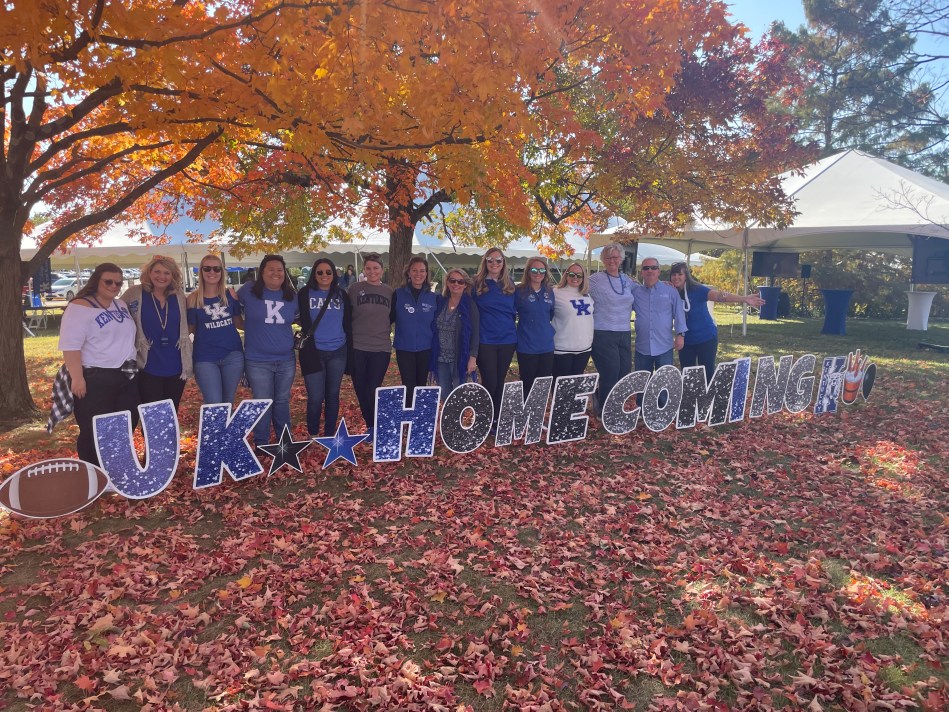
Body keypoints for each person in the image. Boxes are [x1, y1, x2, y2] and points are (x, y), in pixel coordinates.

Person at [59, 263, 139, 466]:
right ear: (96, 281)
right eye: (108, 282)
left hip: (125, 374)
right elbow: (70, 346)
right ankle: (93, 473)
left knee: (126, 424)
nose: (114, 286)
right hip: (95, 377)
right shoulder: (79, 307)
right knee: (93, 430)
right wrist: (77, 378)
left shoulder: (120, 305)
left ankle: (115, 469)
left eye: (118, 283)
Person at [237, 255, 298, 449]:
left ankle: (284, 441)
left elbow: (299, 318)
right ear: (262, 271)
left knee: (282, 401)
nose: (276, 273)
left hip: (286, 359)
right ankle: (261, 442)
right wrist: (249, 327)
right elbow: (231, 309)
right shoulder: (248, 290)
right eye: (271, 269)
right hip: (257, 360)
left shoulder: (291, 295)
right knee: (262, 401)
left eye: (280, 269)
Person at [669, 262, 765, 380]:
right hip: (685, 340)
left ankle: (709, 392)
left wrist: (744, 299)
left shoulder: (697, 289)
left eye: (680, 274)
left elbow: (719, 296)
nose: (676, 277)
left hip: (706, 338)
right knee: (687, 375)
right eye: (673, 274)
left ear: (686, 276)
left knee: (708, 374)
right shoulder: (670, 292)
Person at [121, 255, 192, 412]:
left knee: (171, 411)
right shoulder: (134, 293)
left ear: (173, 275)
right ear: (149, 272)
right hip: (147, 363)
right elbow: (115, 312)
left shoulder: (178, 295)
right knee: (151, 412)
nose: (161, 276)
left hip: (175, 364)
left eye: (167, 273)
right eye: (157, 272)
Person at [298, 258, 352, 437]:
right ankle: (313, 433)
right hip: (313, 351)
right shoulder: (305, 293)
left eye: (328, 272)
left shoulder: (341, 295)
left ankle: (329, 433)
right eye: (320, 272)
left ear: (334, 274)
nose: (324, 275)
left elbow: (347, 322)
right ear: (314, 274)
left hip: (338, 351)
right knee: (315, 397)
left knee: (332, 394)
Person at [587, 243, 639, 415]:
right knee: (610, 371)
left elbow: (645, 290)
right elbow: (575, 286)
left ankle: (600, 396)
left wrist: (665, 284)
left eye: (615, 257)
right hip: (602, 332)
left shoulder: (627, 281)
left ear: (621, 259)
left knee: (624, 372)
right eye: (608, 257)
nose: (612, 261)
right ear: (603, 260)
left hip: (624, 332)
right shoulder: (595, 280)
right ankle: (605, 411)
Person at [186, 255, 244, 405]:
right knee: (214, 403)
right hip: (205, 357)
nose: (212, 272)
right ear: (201, 271)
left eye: (217, 269)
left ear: (222, 272)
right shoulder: (193, 299)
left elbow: (239, 323)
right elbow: (189, 329)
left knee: (228, 401)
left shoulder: (230, 294)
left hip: (232, 355)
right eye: (207, 268)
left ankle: (227, 422)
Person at [348, 253, 393, 437]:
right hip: (358, 347)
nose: (372, 271)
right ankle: (371, 425)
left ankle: (376, 424)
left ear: (382, 270)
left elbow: (393, 316)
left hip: (381, 348)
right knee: (360, 388)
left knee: (373, 388)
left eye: (376, 268)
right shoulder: (354, 289)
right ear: (364, 270)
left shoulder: (389, 291)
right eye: (368, 268)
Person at [472, 248, 517, 429]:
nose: (494, 263)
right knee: (489, 381)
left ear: (503, 263)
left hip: (507, 340)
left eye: (498, 260)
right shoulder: (476, 284)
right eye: (490, 260)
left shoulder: (510, 285)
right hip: (486, 340)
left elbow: (514, 311)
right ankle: (484, 418)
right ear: (485, 262)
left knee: (499, 381)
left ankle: (496, 418)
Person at [392, 256, 438, 405]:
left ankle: (420, 417)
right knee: (409, 387)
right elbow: (387, 319)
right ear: (409, 273)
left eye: (422, 271)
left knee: (421, 387)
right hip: (404, 348)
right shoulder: (398, 294)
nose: (418, 274)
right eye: (415, 270)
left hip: (426, 349)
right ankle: (408, 416)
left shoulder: (433, 297)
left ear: (426, 273)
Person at [632, 257, 687, 375]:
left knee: (664, 383)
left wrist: (680, 335)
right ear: (641, 272)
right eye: (646, 268)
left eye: (654, 268)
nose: (650, 270)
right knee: (642, 383)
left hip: (664, 347)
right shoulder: (635, 292)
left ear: (659, 271)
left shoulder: (670, 290)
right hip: (642, 347)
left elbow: (679, 313)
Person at [431, 269, 480, 400]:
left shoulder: (470, 306)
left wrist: (473, 358)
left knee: (459, 397)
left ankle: (458, 415)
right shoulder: (440, 302)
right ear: (447, 282)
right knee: (445, 395)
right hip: (441, 358)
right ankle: (447, 414)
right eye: (452, 280)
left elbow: (475, 333)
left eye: (460, 281)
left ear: (465, 285)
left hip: (460, 358)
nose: (456, 284)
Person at [514, 257, 555, 396]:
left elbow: (551, 314)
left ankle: (539, 411)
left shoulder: (549, 291)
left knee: (542, 387)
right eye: (534, 270)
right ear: (528, 271)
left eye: (542, 270)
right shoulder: (519, 291)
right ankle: (526, 410)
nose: (538, 273)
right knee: (527, 385)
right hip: (527, 346)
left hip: (546, 346)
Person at [552, 262, 595, 378]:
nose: (575, 277)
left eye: (579, 275)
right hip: (562, 348)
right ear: (566, 275)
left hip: (584, 348)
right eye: (572, 274)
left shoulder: (586, 294)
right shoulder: (556, 292)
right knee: (560, 385)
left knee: (575, 385)